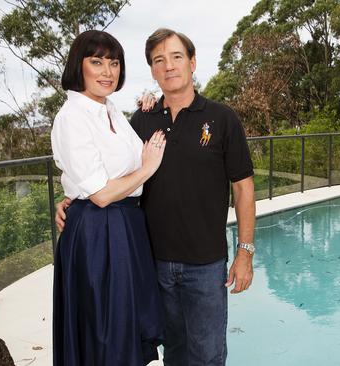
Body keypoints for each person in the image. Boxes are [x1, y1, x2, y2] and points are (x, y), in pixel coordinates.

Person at [57, 28, 256, 366]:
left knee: (208, 356)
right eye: (159, 60)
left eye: (177, 57)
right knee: (171, 355)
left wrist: (245, 252)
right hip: (152, 262)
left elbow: (243, 187)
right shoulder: (141, 119)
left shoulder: (222, 119)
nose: (169, 66)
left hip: (206, 265)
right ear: (151, 70)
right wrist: (72, 200)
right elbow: (108, 173)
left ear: (192, 63)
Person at [51, 30, 165, 366]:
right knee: (104, 333)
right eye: (97, 62)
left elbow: (121, 163)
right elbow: (100, 194)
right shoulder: (72, 117)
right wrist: (148, 168)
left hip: (124, 225)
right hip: (99, 233)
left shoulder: (111, 110)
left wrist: (151, 101)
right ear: (79, 66)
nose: (107, 71)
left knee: (124, 331)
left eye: (114, 63)